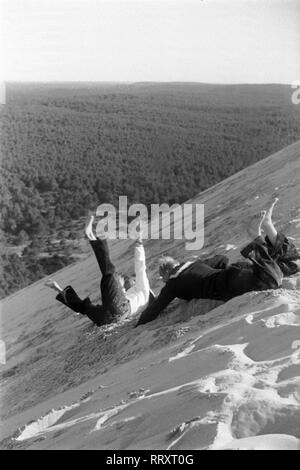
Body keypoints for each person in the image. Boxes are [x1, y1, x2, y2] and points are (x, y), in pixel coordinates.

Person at [136, 198, 300, 326]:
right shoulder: (195, 264)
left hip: (231, 284)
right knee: (293, 264)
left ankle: (256, 236)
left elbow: (155, 309)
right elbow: (222, 259)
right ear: (176, 263)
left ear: (165, 274)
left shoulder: (172, 284)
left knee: (271, 280)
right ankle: (269, 227)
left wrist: (138, 324)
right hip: (236, 272)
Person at [45, 215, 154, 326]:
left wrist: (139, 242)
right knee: (85, 307)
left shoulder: (143, 289)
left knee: (110, 273)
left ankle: (91, 236)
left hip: (120, 310)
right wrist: (121, 288)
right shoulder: (138, 299)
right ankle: (56, 288)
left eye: (133, 280)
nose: (131, 281)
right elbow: (119, 296)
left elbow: (140, 267)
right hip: (108, 318)